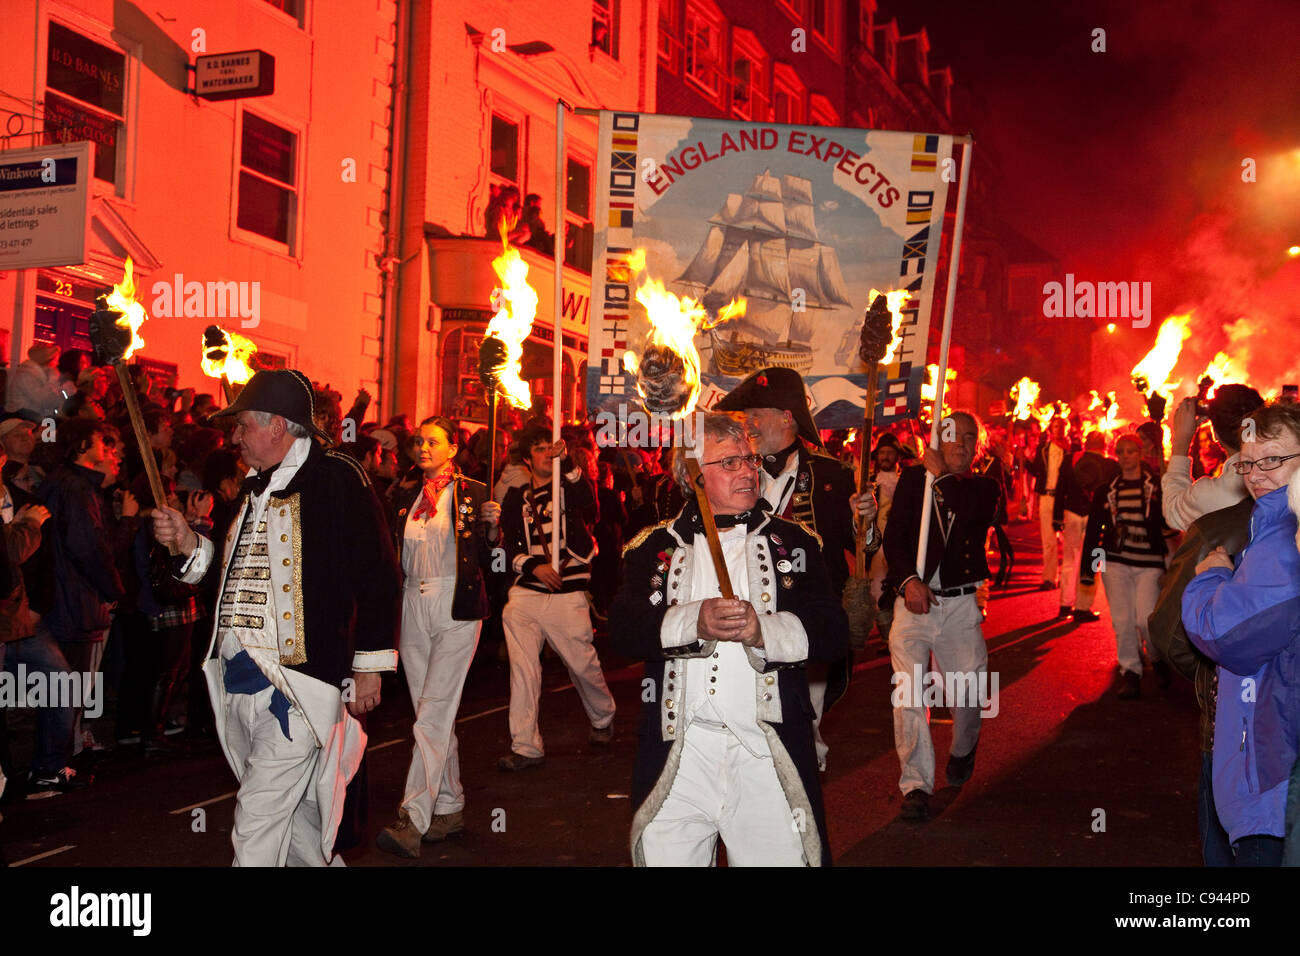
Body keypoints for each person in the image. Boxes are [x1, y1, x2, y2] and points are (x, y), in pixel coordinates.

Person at [151, 369, 401, 866]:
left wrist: (370, 663)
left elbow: (378, 573)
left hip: (299, 684)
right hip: (240, 679)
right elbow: (228, 573)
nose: (235, 437)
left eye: (243, 426)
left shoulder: (337, 478)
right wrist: (185, 543)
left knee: (258, 821)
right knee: (302, 828)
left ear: (279, 426)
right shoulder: (250, 487)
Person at [610, 412, 849, 865]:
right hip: (679, 757)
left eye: (749, 459)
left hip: (764, 755)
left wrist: (765, 631)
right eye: (729, 462)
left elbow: (834, 633)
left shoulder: (795, 543)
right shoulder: (651, 548)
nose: (747, 471)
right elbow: (622, 630)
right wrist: (691, 622)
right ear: (692, 477)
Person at [715, 367, 876, 772]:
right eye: (745, 415)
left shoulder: (833, 476)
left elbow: (863, 546)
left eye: (757, 414)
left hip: (806, 624)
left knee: (803, 725)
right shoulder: (734, 470)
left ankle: (802, 800)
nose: (748, 424)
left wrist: (866, 523)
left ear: (788, 417)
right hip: (745, 619)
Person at [1182, 402, 1300, 867]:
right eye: (1248, 462)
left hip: (1272, 769)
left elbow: (1226, 633)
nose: (1256, 473)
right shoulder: (1271, 525)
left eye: (1273, 459)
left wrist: (1210, 578)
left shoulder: (1284, 537)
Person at [376, 417, 496, 858]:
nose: (423, 447)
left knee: (433, 713)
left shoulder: (475, 492)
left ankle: (414, 816)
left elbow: (490, 557)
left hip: (455, 604)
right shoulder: (405, 494)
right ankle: (449, 805)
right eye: (419, 441)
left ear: (452, 448)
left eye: (433, 441)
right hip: (412, 602)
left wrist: (493, 529)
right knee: (430, 712)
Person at [883, 411, 1001, 821]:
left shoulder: (984, 486)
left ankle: (964, 748)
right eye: (953, 436)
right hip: (914, 603)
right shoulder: (915, 479)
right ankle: (915, 784)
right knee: (909, 695)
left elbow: (970, 514)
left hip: (960, 606)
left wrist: (942, 477)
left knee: (968, 695)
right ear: (938, 439)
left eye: (971, 437)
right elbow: (895, 536)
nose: (962, 444)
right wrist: (907, 582)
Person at [497, 423, 615, 770]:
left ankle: (602, 716)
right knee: (523, 669)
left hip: (568, 591)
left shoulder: (568, 487)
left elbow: (591, 508)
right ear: (526, 460)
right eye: (538, 449)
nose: (547, 453)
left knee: (581, 663)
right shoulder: (516, 498)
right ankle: (525, 746)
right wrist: (532, 565)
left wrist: (573, 466)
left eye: (550, 446)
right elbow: (506, 546)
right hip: (527, 594)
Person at [37, 419, 129, 756]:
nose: (110, 451)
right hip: (73, 603)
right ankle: (55, 766)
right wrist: (112, 590)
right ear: (81, 447)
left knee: (65, 690)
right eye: (101, 443)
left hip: (68, 601)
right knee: (68, 690)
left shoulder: (72, 486)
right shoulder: (75, 488)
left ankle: (59, 762)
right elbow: (87, 546)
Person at [1079, 433, 1170, 699]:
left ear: (1140, 454)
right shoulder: (1107, 489)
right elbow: (1095, 531)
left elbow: (1167, 521)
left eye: (1131, 451)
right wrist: (1089, 569)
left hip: (1149, 562)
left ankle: (1156, 657)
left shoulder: (1155, 485)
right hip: (1115, 562)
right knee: (1122, 620)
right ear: (1115, 455)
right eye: (1121, 451)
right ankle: (1130, 672)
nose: (1126, 456)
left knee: (1145, 618)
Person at [1163, 386, 1262, 531]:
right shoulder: (1286, 467)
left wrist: (1181, 441)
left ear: (1215, 434)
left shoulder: (1211, 494)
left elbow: (1173, 512)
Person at [1027, 417, 1068, 590]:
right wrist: (1023, 461)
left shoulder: (1073, 450)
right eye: (1056, 426)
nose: (1058, 429)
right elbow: (1037, 470)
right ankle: (1049, 578)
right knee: (1049, 541)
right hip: (1047, 497)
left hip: (1065, 501)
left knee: (1068, 541)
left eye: (1061, 427)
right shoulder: (1043, 449)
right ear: (1051, 429)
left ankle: (1067, 578)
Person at [6, 344, 64, 423]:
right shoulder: (26, 374)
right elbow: (44, 400)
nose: (57, 364)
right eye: (55, 360)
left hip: (34, 416)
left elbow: (53, 402)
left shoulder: (43, 374)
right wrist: (53, 379)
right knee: (51, 426)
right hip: (21, 418)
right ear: (47, 360)